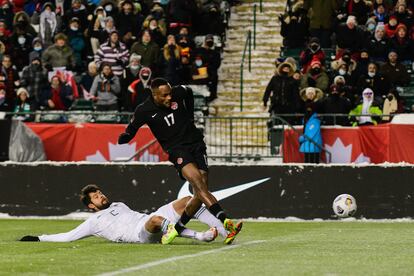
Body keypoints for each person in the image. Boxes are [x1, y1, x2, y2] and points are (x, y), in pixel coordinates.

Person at [118, 78, 242, 245]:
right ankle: (226, 222)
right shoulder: (144, 110)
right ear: (154, 95)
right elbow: (131, 129)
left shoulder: (179, 91)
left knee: (200, 193)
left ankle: (176, 229)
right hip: (177, 150)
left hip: (197, 145)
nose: (170, 97)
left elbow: (188, 91)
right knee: (198, 184)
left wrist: (189, 114)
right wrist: (126, 137)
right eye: (164, 95)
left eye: (170, 93)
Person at [20, 184, 225, 243]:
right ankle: (200, 236)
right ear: (91, 206)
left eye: (100, 192)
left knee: (187, 201)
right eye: (96, 197)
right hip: (140, 235)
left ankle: (225, 230)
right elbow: (68, 237)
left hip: (149, 219)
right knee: (156, 220)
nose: (100, 196)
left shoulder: (118, 204)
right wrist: (39, 238)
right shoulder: (94, 221)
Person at [299, 87, 323, 163]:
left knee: (312, 158)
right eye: (309, 93)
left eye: (312, 93)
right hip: (307, 133)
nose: (310, 95)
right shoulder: (303, 104)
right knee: (308, 157)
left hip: (310, 135)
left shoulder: (317, 105)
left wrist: (302, 138)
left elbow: (311, 130)